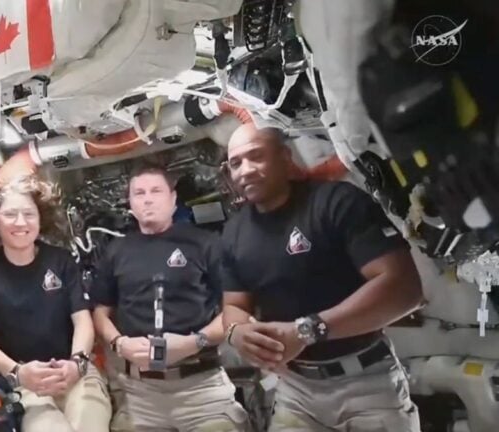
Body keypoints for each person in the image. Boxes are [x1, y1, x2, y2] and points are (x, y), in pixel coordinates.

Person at [220, 123, 424, 431]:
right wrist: (236, 333)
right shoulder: (234, 232)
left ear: (285, 157)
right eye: (235, 163)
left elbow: (404, 287)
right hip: (295, 389)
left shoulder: (336, 202)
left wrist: (307, 331)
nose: (245, 170)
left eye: (256, 156)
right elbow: (234, 306)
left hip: (367, 383)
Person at [91, 163, 250, 432]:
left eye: (156, 191)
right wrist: (120, 343)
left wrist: (194, 342)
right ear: (130, 203)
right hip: (140, 395)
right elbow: (100, 312)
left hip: (202, 389)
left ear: (173, 199)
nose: (147, 199)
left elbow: (235, 309)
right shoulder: (116, 251)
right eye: (139, 193)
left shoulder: (206, 244)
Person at [0, 175, 111, 432]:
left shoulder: (62, 261)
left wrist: (77, 363)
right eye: (10, 214)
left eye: (29, 214)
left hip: (73, 371)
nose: (21, 222)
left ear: (40, 219)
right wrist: (19, 373)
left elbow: (82, 321)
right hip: (20, 381)